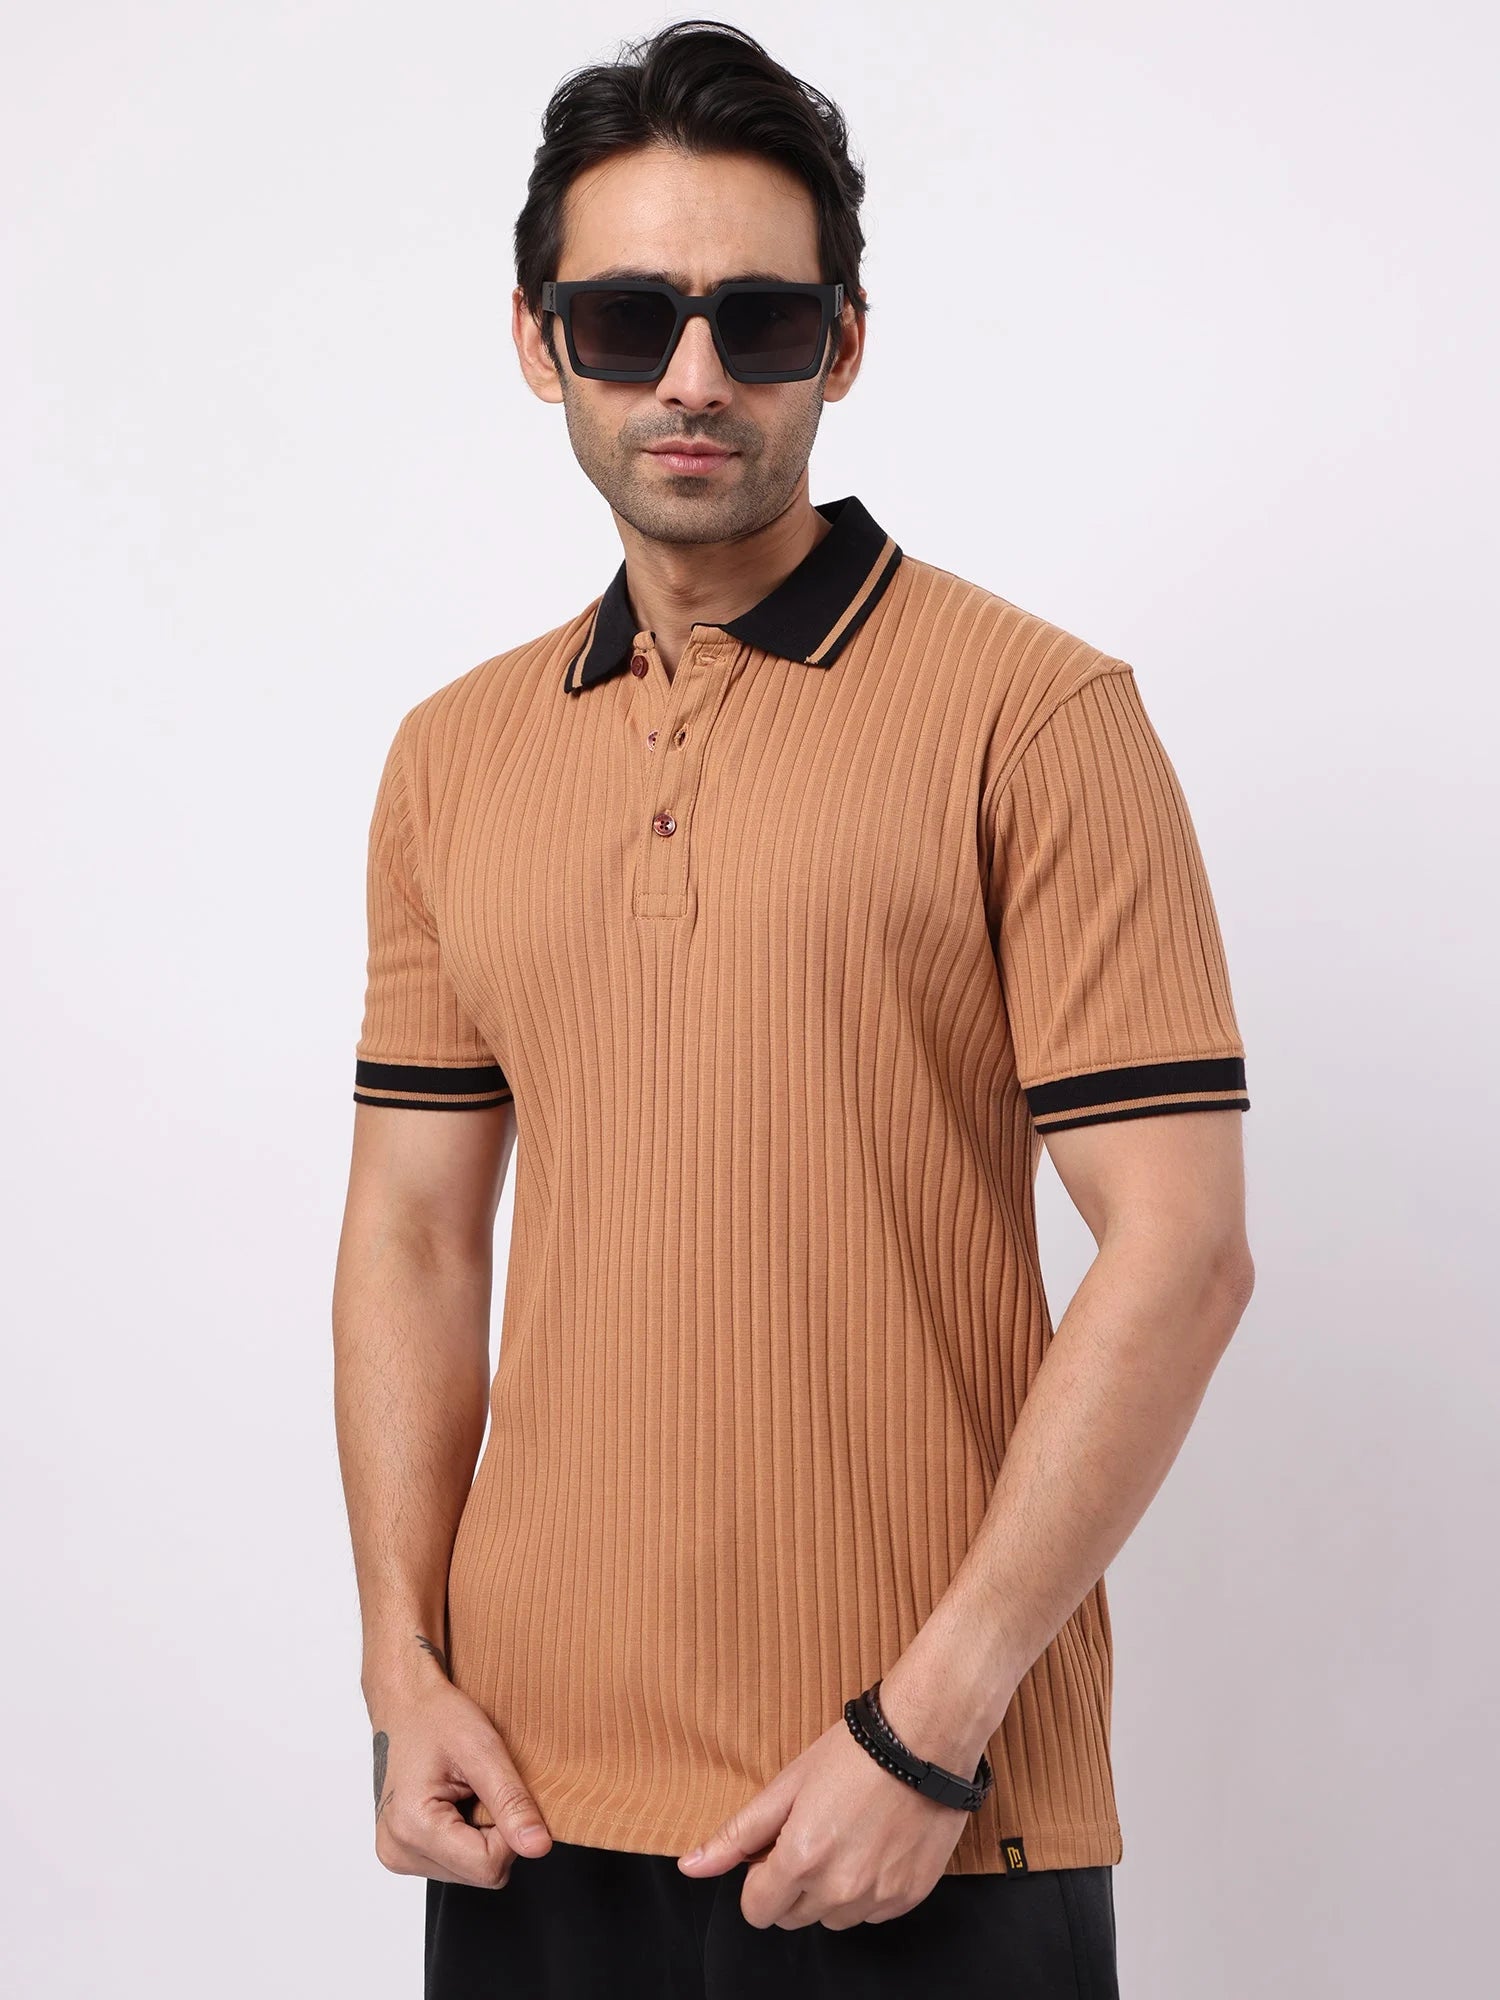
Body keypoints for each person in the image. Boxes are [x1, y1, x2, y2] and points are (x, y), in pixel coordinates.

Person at [332, 18, 1255, 1998]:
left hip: (929, 1807)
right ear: (538, 342)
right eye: (626, 317)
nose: (692, 376)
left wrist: (927, 1726)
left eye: (756, 320)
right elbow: (414, 1227)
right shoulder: (451, 758)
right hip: (526, 1806)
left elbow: (1180, 1253)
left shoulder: (1040, 718)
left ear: (842, 344)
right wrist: (401, 1668)